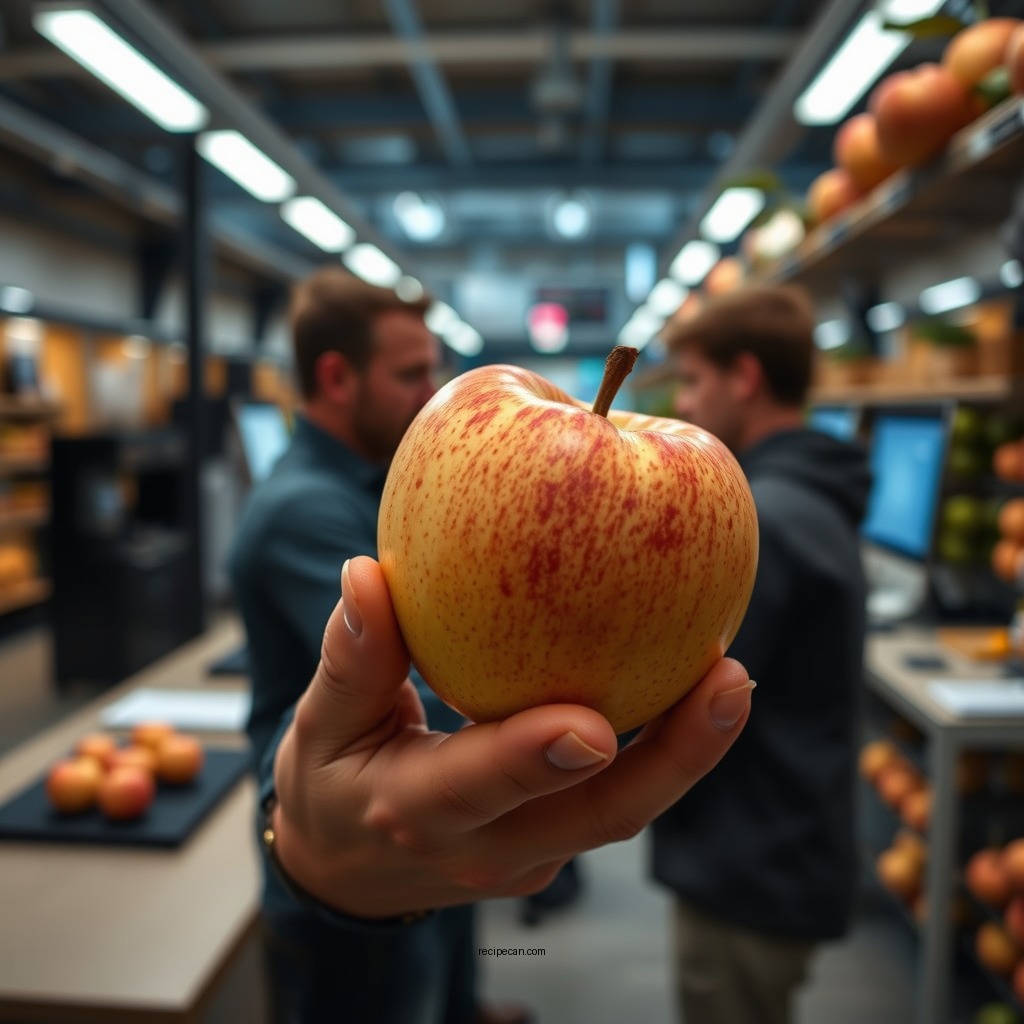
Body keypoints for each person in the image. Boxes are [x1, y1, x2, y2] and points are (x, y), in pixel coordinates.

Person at [229, 267, 755, 1024]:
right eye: (411, 373)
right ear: (337, 378)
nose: (428, 389)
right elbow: (421, 685)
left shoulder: (379, 480)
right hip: (337, 875)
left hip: (409, 845)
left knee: (439, 958)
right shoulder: (302, 510)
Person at [653, 284, 872, 1024]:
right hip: (788, 835)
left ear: (744, 378)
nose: (683, 404)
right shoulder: (807, 498)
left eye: (693, 380)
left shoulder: (759, 519)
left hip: (749, 857)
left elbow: (685, 686)